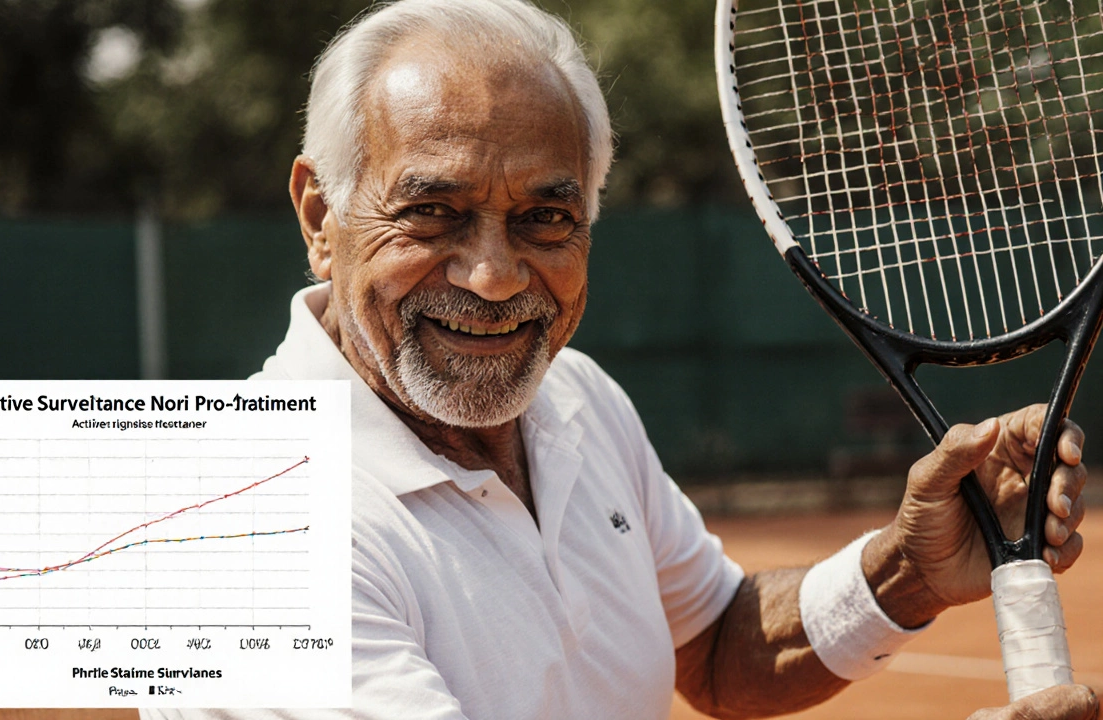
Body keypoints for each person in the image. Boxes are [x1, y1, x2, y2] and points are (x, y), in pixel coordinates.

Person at [142, 1, 1092, 718]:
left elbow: (717, 643)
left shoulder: (576, 398)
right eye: (432, 210)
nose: (493, 276)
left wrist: (906, 574)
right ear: (320, 218)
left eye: (545, 218)